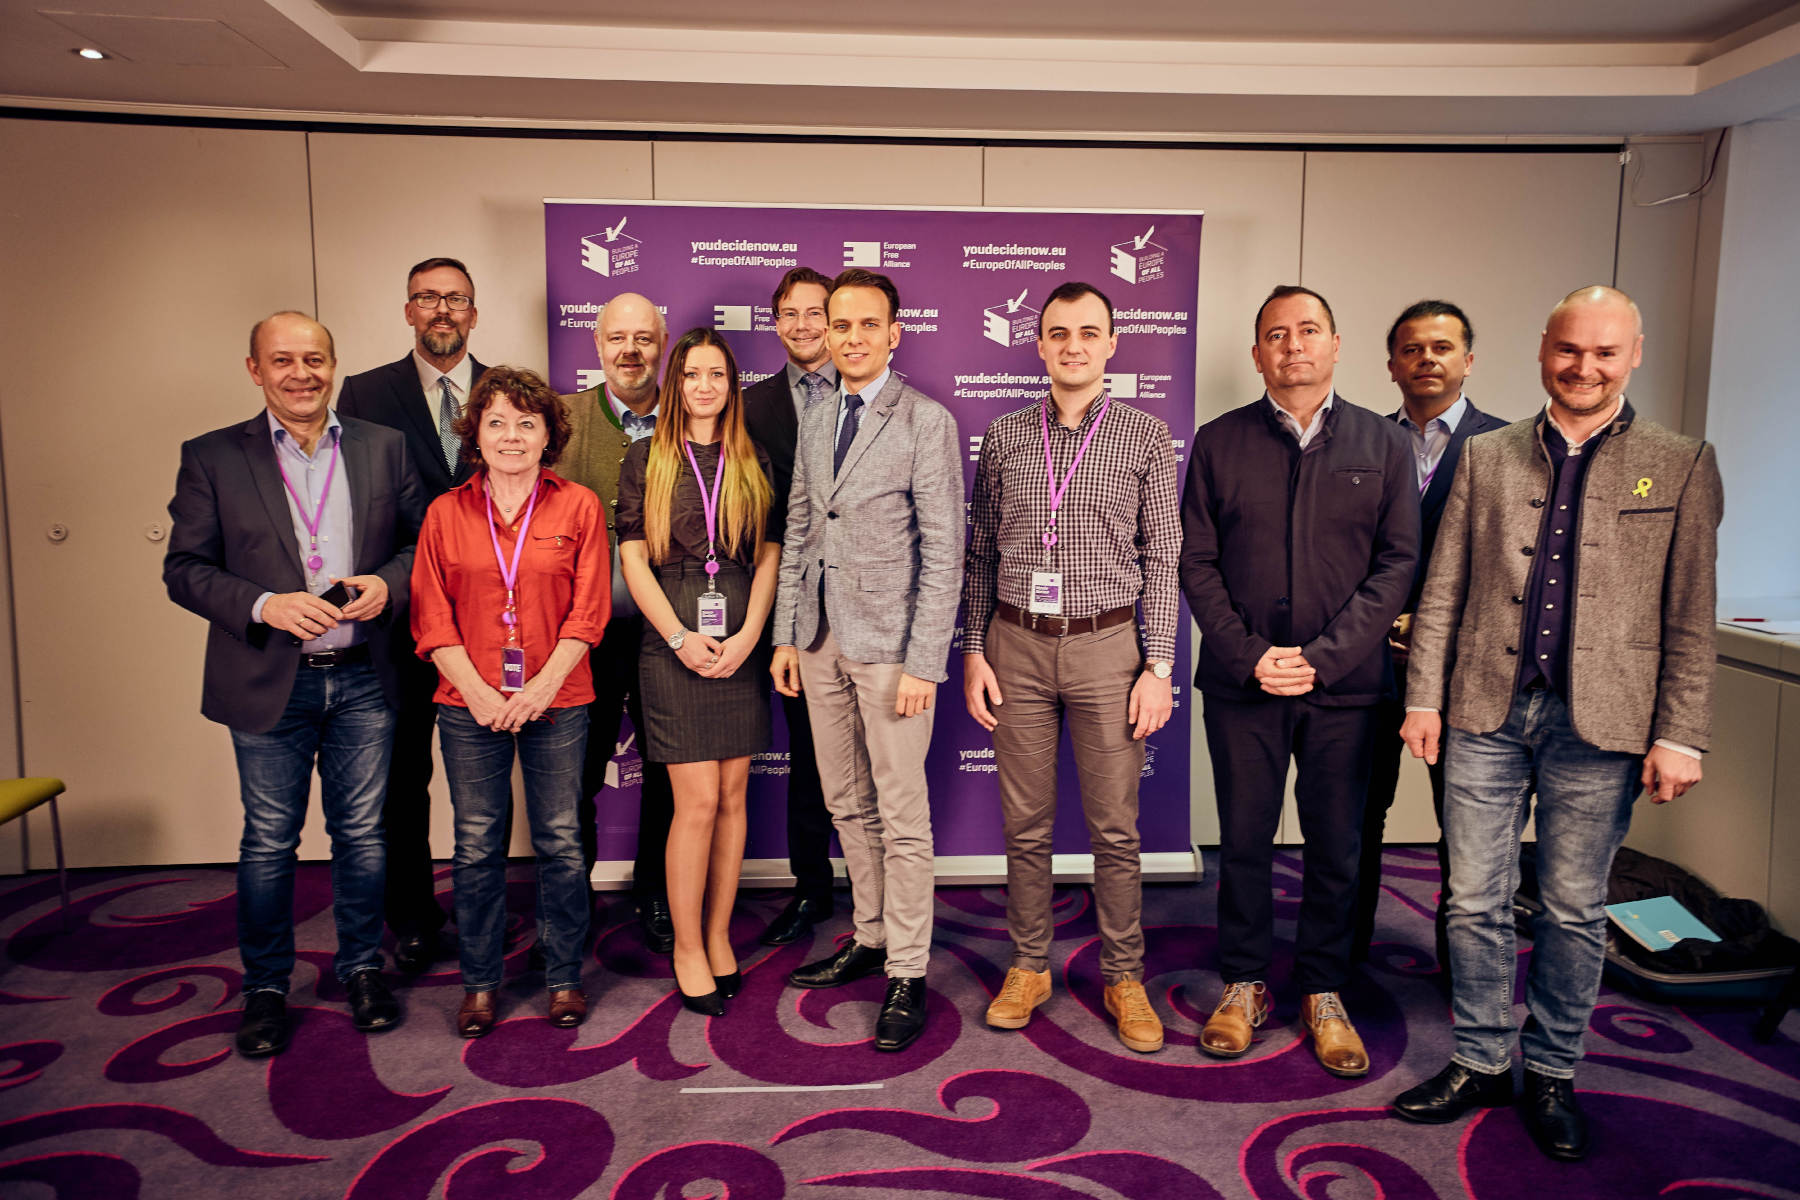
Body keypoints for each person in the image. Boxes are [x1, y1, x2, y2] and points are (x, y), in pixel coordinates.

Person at [1390, 286, 1722, 1162]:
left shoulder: (1681, 462)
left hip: (1602, 724)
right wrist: (1424, 697)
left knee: (1574, 909)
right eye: (1569, 350)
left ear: (1634, 354)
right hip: (1484, 709)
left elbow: (1691, 611)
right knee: (1472, 898)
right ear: (1544, 349)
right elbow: (1444, 589)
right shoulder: (1488, 455)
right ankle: (1479, 1059)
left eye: (1605, 353)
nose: (1584, 368)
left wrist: (1680, 733)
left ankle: (1551, 1071)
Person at [165, 310, 425, 1057]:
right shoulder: (213, 456)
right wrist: (264, 605)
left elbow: (420, 543)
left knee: (363, 836)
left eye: (315, 359)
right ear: (255, 370)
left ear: (333, 365)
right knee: (271, 840)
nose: (301, 374)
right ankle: (266, 988)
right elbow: (184, 569)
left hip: (365, 678)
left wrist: (389, 583)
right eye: (283, 360)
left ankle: (361, 969)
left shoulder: (383, 446)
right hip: (268, 680)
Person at [1178, 285, 1417, 1077]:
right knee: (1244, 842)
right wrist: (1251, 655)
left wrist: (1326, 655)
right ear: (1257, 355)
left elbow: (1397, 564)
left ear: (1336, 344)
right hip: (1243, 685)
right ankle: (1244, 983)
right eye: (1276, 335)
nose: (1293, 345)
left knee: (1337, 846)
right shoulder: (1218, 441)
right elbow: (1196, 561)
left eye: (1308, 330)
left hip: (1346, 688)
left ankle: (1323, 990)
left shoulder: (1385, 443)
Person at [962, 281, 1178, 1053]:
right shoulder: (1005, 435)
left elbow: (1165, 558)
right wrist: (974, 650)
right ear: (1040, 344)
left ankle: (1124, 975)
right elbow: (980, 554)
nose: (1074, 346)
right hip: (1015, 646)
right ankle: (1029, 966)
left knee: (1115, 829)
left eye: (1089, 332)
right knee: (1025, 826)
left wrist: (1159, 665)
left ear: (1112, 343)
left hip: (1108, 648)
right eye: (1059, 333)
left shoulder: (1147, 436)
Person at [771, 268, 963, 1052]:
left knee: (901, 815)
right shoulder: (818, 414)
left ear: (894, 334)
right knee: (846, 804)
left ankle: (908, 971)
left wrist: (925, 662)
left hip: (892, 652)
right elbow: (800, 527)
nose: (851, 337)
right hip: (820, 641)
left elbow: (945, 552)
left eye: (866, 324)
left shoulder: (926, 421)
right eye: (839, 324)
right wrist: (787, 636)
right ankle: (873, 934)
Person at [410, 366, 610, 1037]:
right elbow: (430, 617)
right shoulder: (445, 513)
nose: (512, 436)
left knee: (560, 840)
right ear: (475, 434)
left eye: (527, 422)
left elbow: (589, 612)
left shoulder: (579, 506)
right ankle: (479, 984)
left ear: (550, 435)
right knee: (475, 845)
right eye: (496, 422)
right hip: (469, 705)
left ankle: (563, 976)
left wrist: (540, 689)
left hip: (559, 698)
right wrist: (478, 693)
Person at [619, 329, 783, 1014]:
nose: (705, 386)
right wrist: (680, 637)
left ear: (731, 385)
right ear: (676, 383)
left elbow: (769, 554)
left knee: (734, 798)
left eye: (717, 374)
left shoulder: (753, 456)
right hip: (673, 638)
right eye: (692, 375)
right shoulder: (645, 457)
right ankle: (686, 947)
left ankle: (717, 936)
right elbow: (633, 558)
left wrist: (749, 635)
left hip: (740, 637)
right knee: (696, 803)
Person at [338, 255, 490, 974]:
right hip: (399, 619)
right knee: (403, 778)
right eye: (427, 297)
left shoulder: (504, 390)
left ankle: (487, 908)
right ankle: (414, 916)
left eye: (454, 298)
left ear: (473, 313)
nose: (442, 310)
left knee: (485, 780)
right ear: (408, 311)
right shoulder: (365, 393)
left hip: (490, 620)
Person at [1351, 300, 1506, 982]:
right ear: (1392, 365)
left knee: (1466, 829)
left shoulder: (1507, 447)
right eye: (1412, 349)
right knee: (1358, 818)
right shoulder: (1359, 442)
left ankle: (1462, 968)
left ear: (1468, 361)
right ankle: (1343, 959)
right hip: (1367, 663)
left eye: (1442, 347)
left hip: (1464, 671)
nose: (1427, 359)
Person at [560, 293, 678, 953]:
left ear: (662, 345)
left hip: (668, 631)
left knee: (667, 769)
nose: (630, 351)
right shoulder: (562, 421)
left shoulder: (691, 418)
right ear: (597, 343)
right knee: (576, 771)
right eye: (617, 338)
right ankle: (570, 896)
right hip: (582, 635)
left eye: (644, 338)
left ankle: (656, 892)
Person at [742, 266, 838, 946]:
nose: (803, 325)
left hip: (849, 610)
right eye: (790, 314)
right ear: (774, 323)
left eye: (816, 312)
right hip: (761, 603)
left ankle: (863, 892)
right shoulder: (749, 408)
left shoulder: (872, 397)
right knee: (795, 753)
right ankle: (811, 888)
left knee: (831, 757)